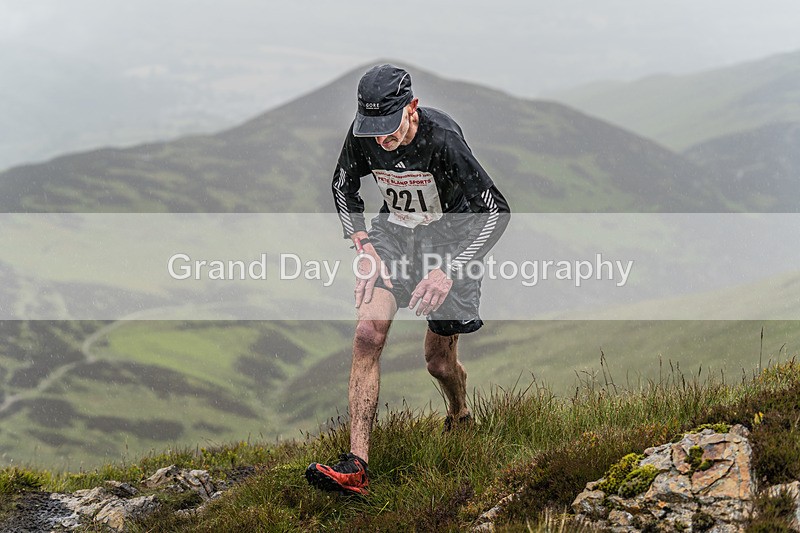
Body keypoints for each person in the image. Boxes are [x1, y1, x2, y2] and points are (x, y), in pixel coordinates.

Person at [305, 64, 510, 496]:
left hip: (449, 243)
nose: (381, 139)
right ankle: (357, 466)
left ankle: (459, 412)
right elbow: (343, 183)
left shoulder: (443, 139)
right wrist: (363, 243)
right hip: (394, 235)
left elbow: (496, 213)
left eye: (390, 127)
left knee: (437, 361)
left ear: (412, 109)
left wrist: (448, 271)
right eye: (372, 128)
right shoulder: (367, 133)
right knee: (366, 335)